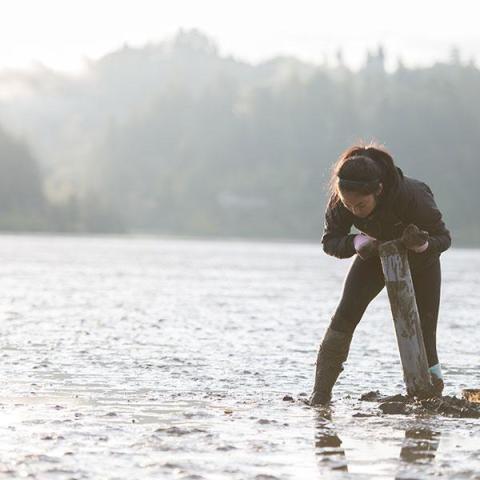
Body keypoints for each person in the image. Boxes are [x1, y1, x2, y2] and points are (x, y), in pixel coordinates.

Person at [309, 142, 451, 406]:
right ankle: (320, 395)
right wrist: (355, 243)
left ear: (379, 190)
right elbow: (330, 241)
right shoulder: (343, 199)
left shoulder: (414, 195)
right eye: (347, 204)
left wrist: (423, 244)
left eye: (360, 205)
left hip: (421, 260)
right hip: (374, 254)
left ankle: (430, 395)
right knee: (344, 315)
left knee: (424, 331)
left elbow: (444, 237)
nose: (353, 210)